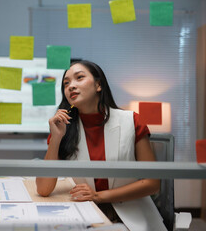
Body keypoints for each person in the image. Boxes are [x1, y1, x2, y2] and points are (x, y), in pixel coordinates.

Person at [35, 60, 167, 231]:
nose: (71, 86)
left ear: (98, 85)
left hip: (130, 215)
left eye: (79, 78)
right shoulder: (64, 129)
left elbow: (152, 183)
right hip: (84, 213)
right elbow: (44, 189)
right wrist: (56, 138)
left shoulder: (131, 121)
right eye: (66, 83)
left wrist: (98, 196)